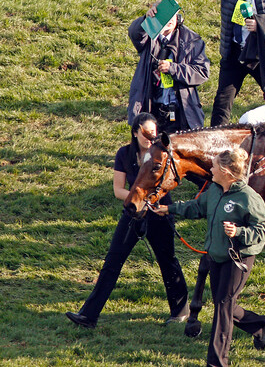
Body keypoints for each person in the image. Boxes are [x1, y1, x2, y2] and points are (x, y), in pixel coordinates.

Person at [66, 113, 188, 328]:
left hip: (159, 213)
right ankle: (88, 315)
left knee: (167, 260)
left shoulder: (162, 152)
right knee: (113, 261)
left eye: (154, 134)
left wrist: (155, 203)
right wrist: (141, 199)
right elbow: (117, 190)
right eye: (146, 134)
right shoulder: (124, 153)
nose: (151, 139)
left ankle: (180, 310)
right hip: (133, 212)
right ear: (135, 132)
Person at [152, 148, 265, 367]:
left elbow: (264, 228)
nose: (211, 169)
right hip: (216, 255)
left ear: (226, 171)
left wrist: (239, 233)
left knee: (223, 308)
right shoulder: (215, 190)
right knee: (224, 303)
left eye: (215, 166)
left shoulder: (248, 197)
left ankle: (216, 362)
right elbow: (197, 207)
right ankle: (258, 324)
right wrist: (167, 209)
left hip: (238, 259)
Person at [127, 1, 210, 133]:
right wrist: (146, 20)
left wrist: (173, 69)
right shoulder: (149, 36)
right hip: (152, 109)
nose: (171, 20)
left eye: (174, 15)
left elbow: (202, 72)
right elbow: (134, 33)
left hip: (181, 111)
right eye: (166, 15)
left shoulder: (192, 40)